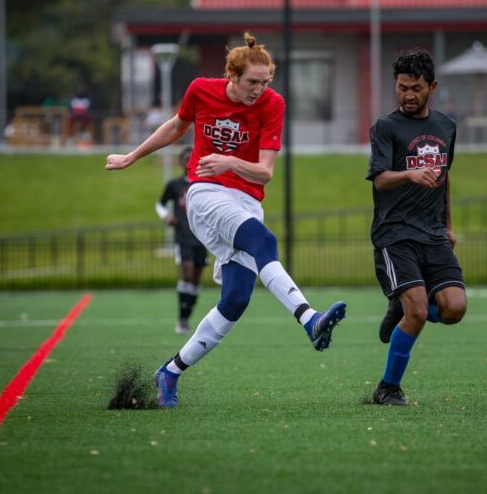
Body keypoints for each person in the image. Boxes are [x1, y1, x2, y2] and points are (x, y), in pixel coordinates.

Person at [105, 32, 346, 408]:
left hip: (248, 201)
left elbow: (265, 173)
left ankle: (169, 372)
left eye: (266, 82)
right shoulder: (201, 90)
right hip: (205, 195)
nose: (260, 90)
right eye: (253, 82)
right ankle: (310, 319)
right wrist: (131, 157)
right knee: (264, 242)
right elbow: (175, 127)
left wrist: (231, 161)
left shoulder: (272, 104)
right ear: (231, 76)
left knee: (234, 300)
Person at [366, 48, 467, 406]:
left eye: (416, 88)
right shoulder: (386, 127)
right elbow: (379, 179)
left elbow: (445, 177)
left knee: (454, 309)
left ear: (432, 86)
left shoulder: (446, 127)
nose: (408, 95)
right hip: (395, 234)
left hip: (433, 233)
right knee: (420, 312)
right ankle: (387, 388)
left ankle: (401, 307)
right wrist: (409, 173)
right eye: (401, 87)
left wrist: (449, 225)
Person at [156, 146, 208, 335]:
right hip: (183, 236)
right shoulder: (175, 185)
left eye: (191, 158)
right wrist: (166, 217)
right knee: (186, 274)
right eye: (185, 158)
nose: (188, 161)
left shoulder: (205, 183)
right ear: (180, 162)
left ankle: (187, 315)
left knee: (195, 280)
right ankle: (182, 319)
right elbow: (160, 204)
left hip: (203, 238)